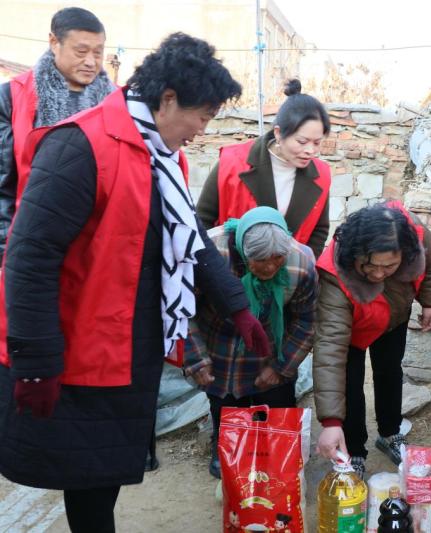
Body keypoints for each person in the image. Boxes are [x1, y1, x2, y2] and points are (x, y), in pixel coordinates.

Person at [0, 33, 271, 533]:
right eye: (203, 116)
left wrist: (237, 307)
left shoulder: (165, 157)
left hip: (130, 348)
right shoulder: (81, 144)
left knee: (104, 477)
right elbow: (29, 259)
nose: (202, 130)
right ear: (168, 99)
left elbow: (191, 238)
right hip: (81, 351)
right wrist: (35, 364)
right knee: (89, 482)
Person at [184, 206, 318, 479]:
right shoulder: (210, 252)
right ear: (244, 251)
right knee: (224, 403)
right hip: (218, 343)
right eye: (259, 260)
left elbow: (307, 322)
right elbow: (183, 311)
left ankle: (271, 454)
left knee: (276, 406)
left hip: (270, 348)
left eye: (277, 259)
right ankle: (224, 446)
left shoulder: (301, 263)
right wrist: (196, 358)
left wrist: (281, 368)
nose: (269, 267)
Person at [314, 202, 431, 477]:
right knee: (350, 382)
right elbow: (329, 351)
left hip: (393, 316)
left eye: (390, 266)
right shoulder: (335, 273)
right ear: (355, 256)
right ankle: (354, 451)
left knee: (389, 372)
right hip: (352, 330)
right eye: (369, 266)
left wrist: (430, 302)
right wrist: (331, 421)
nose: (379, 274)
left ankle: (390, 433)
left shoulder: (417, 236)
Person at [0, 7, 114, 255]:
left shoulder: (117, 105)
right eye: (81, 51)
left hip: (96, 249)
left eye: (98, 52)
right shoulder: (13, 97)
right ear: (54, 42)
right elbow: (3, 186)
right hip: (30, 243)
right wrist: (5, 252)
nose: (91, 62)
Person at [197, 78, 331, 258]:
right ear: (278, 133)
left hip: (286, 276)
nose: (310, 151)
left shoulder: (321, 175)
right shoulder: (233, 163)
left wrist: (300, 268)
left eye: (317, 143)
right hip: (230, 270)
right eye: (302, 141)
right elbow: (203, 219)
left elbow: (319, 231)